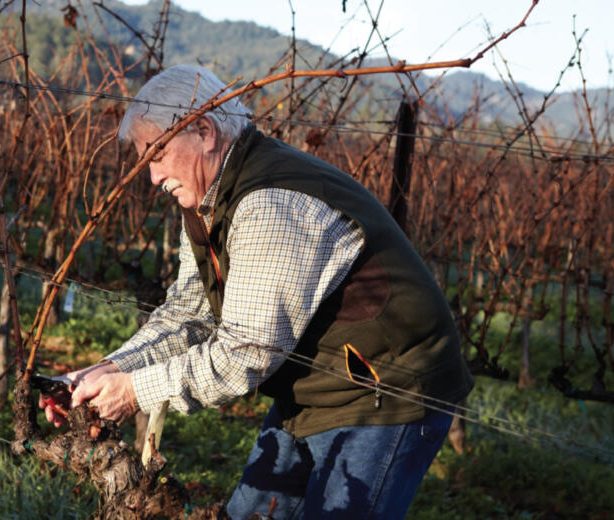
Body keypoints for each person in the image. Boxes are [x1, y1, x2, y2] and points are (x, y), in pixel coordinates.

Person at [40, 64, 473, 519]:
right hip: (316, 382)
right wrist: (105, 372)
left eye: (156, 154)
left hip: (387, 393)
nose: (151, 177)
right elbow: (189, 314)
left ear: (204, 131)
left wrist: (134, 391)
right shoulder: (208, 199)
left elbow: (245, 352)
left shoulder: (270, 202)